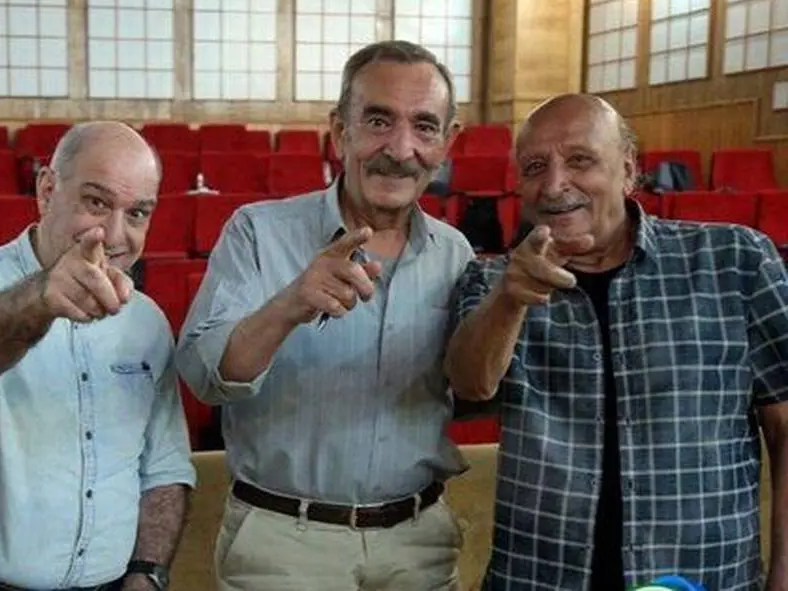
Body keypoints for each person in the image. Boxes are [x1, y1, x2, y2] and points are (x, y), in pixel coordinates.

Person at [444, 93, 788, 591]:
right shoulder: (491, 281)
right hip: (540, 577)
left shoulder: (735, 261)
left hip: (705, 575)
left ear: (628, 171)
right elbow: (471, 385)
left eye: (580, 160)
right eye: (535, 167)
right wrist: (509, 301)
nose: (555, 185)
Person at [176, 40, 472, 591]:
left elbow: (471, 387)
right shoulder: (258, 232)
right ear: (340, 131)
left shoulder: (455, 254)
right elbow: (203, 375)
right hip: (285, 544)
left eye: (424, 126)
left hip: (420, 545)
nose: (400, 149)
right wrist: (289, 304)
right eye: (378, 121)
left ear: (447, 142)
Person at [0, 121, 196, 591]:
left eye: (138, 213)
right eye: (96, 202)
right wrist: (43, 297)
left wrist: (148, 573)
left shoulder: (147, 321)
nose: (115, 234)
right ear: (47, 190)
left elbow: (163, 466)